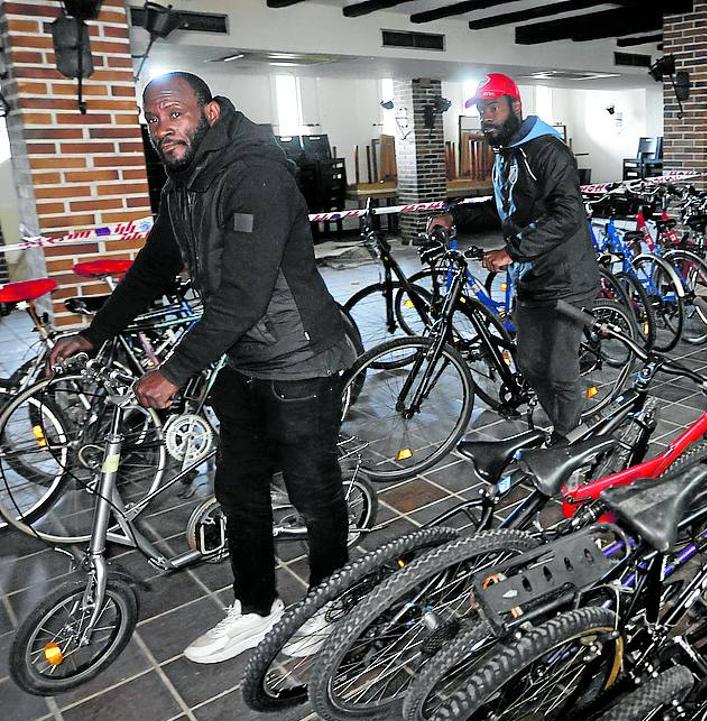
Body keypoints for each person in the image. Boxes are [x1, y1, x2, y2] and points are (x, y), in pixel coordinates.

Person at [48, 72, 355, 664]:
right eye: (154, 119)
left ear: (209, 113)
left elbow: (243, 294)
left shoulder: (255, 174)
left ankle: (330, 603)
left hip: (300, 359)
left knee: (312, 491)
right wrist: (95, 331)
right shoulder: (184, 184)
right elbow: (154, 266)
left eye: (175, 114)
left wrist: (176, 369)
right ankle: (256, 608)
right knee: (238, 488)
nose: (163, 128)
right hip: (243, 357)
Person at [427, 73, 599, 443]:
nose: (487, 117)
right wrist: (454, 216)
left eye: (494, 108)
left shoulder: (546, 150)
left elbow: (568, 214)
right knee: (530, 363)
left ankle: (572, 442)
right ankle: (561, 426)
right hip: (533, 274)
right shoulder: (507, 154)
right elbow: (502, 206)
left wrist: (511, 251)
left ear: (515, 107)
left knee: (557, 367)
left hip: (566, 277)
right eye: (482, 110)